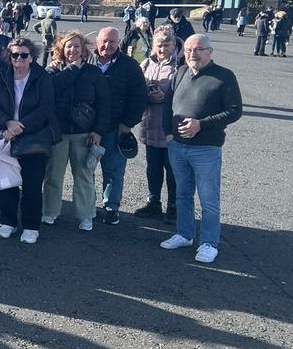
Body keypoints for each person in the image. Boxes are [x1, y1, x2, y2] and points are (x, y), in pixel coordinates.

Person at [161, 34, 243, 263]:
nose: (192, 54)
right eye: (188, 50)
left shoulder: (224, 76)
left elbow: (235, 110)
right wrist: (168, 133)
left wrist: (202, 124)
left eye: (198, 49)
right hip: (177, 146)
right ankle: (185, 234)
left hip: (206, 148)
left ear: (210, 51)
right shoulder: (180, 73)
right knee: (182, 194)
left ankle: (209, 243)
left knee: (209, 198)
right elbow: (167, 104)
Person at [0, 38, 58, 243]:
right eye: (15, 54)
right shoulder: (0, 77)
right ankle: (8, 222)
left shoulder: (42, 77)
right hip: (7, 136)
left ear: (32, 57)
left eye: (24, 55)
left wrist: (19, 126)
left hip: (33, 137)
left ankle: (31, 226)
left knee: (32, 186)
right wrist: (7, 122)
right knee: (7, 183)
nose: (19, 58)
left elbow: (46, 107)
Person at [41, 31, 110, 231]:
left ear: (83, 49)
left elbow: (104, 104)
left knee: (84, 176)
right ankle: (50, 211)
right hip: (58, 133)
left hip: (84, 133)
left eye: (77, 46)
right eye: (68, 46)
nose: (73, 50)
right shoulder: (52, 71)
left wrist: (98, 131)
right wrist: (72, 69)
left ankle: (86, 215)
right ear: (61, 49)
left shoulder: (93, 72)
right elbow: (48, 90)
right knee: (53, 175)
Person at [93, 27, 149, 225]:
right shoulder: (86, 61)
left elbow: (139, 97)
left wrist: (127, 124)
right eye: (104, 41)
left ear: (118, 43)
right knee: (85, 171)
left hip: (115, 127)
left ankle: (111, 208)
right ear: (97, 41)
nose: (107, 46)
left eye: (112, 42)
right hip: (87, 128)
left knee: (113, 171)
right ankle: (87, 207)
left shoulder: (130, 66)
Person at [133, 26, 181, 223]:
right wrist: (148, 96)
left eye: (167, 45)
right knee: (153, 168)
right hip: (151, 125)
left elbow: (187, 95)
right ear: (153, 45)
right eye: (159, 45)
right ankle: (153, 202)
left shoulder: (180, 65)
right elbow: (136, 91)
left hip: (171, 127)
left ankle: (174, 206)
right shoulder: (146, 64)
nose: (163, 49)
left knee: (173, 169)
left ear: (174, 44)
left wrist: (165, 98)